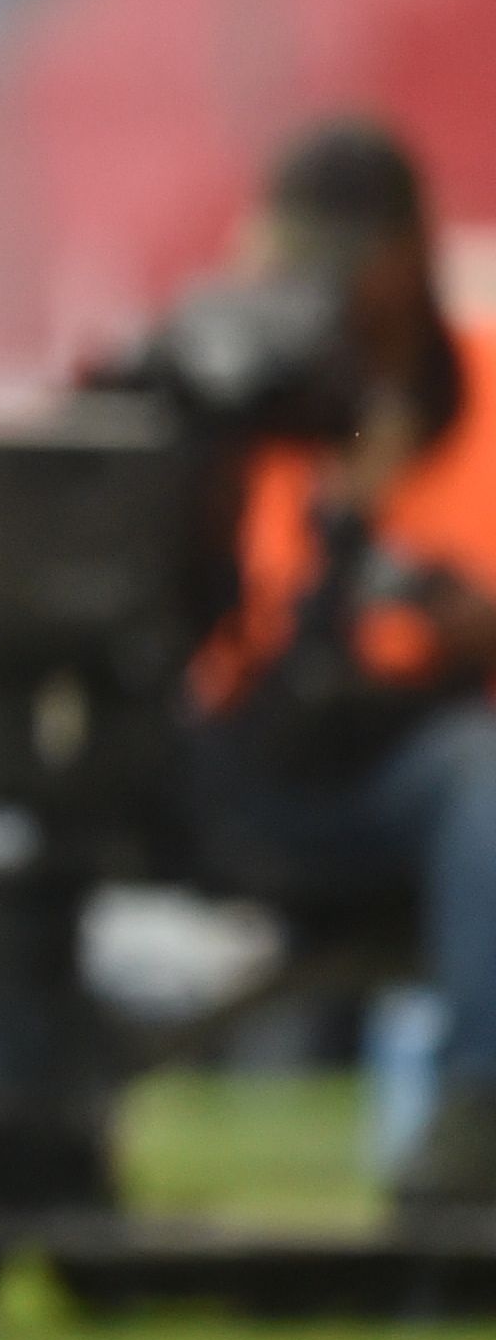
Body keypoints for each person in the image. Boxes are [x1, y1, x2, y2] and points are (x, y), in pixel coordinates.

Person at [186, 120, 496, 1213]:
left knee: (477, 771)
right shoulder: (247, 402)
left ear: (403, 257)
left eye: (331, 256)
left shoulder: (485, 390)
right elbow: (239, 638)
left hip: (435, 755)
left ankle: (476, 1115)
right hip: (275, 755)